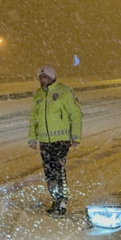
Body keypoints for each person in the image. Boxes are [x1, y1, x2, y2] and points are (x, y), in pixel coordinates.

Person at [28, 65, 82, 216]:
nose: (43, 80)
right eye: (41, 78)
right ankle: (55, 199)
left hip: (61, 140)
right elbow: (34, 119)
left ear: (52, 77)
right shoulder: (38, 95)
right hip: (45, 141)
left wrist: (75, 136)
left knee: (59, 171)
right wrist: (33, 138)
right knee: (49, 172)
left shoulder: (64, 92)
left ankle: (62, 200)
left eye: (46, 77)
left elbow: (75, 114)